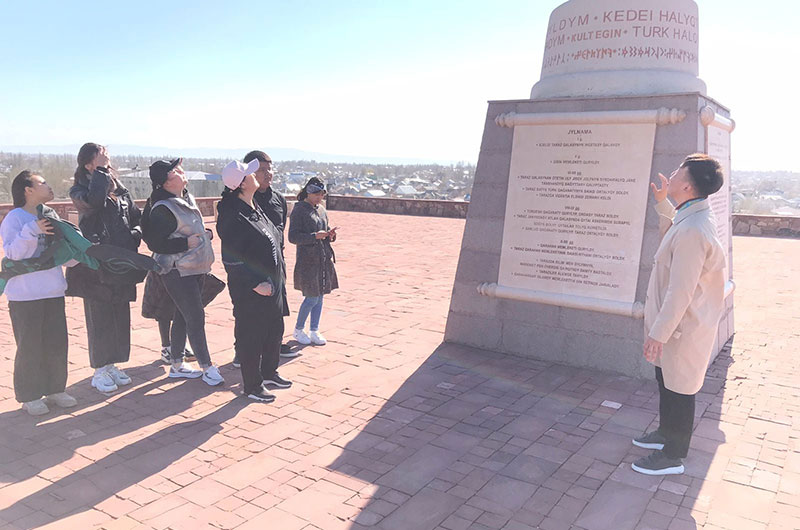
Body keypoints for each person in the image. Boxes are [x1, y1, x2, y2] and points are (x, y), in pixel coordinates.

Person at [632, 153, 726, 476]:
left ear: (687, 186)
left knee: (680, 387)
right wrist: (662, 203)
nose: (671, 175)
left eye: (677, 172)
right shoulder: (692, 215)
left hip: (682, 325)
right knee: (667, 378)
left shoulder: (694, 230)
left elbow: (681, 291)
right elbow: (676, 226)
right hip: (677, 322)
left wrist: (658, 334)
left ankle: (673, 455)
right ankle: (665, 434)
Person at [140, 158, 223, 386]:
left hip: (194, 268)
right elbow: (155, 243)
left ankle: (176, 365)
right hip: (177, 270)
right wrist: (185, 244)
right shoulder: (163, 208)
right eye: (175, 170)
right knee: (195, 317)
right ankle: (207, 367)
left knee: (182, 316)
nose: (181, 171)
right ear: (166, 182)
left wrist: (203, 234)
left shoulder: (185, 198)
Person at [1, 171, 77, 415]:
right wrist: (32, 230)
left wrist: (77, 249)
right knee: (30, 346)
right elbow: (13, 254)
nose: (48, 186)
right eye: (42, 182)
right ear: (28, 190)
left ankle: (56, 389)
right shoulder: (15, 218)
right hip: (25, 295)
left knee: (56, 343)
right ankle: (30, 395)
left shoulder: (51, 215)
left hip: (52, 290)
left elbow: (64, 254)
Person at [217, 160, 291, 403]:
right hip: (253, 291)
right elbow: (231, 258)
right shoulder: (233, 215)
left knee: (274, 331)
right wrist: (255, 284)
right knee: (252, 337)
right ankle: (252, 386)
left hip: (272, 284)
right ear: (241, 184)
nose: (255, 175)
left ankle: (269, 373)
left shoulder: (253, 205)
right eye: (249, 174)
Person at [69, 143, 142, 393]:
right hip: (97, 265)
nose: (107, 160)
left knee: (119, 315)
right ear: (88, 164)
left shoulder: (119, 189)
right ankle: (99, 369)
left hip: (121, 262)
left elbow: (136, 218)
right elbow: (95, 202)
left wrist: (134, 235)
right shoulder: (79, 191)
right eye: (101, 157)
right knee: (99, 316)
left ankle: (113, 364)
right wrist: (101, 173)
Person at [231, 150, 295, 366]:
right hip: (252, 266)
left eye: (270, 169)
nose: (268, 174)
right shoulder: (244, 200)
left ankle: (274, 345)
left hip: (276, 262)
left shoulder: (278, 199)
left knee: (277, 306)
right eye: (261, 170)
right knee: (247, 312)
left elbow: (280, 231)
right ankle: (242, 350)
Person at [288, 177, 339, 346]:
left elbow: (325, 229)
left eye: (322, 194)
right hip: (307, 261)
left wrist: (330, 235)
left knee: (320, 295)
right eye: (316, 194)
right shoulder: (299, 210)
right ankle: (298, 329)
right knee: (311, 297)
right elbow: (293, 237)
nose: (319, 197)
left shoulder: (321, 210)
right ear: (308, 193)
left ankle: (314, 329)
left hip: (323, 259)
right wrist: (314, 236)